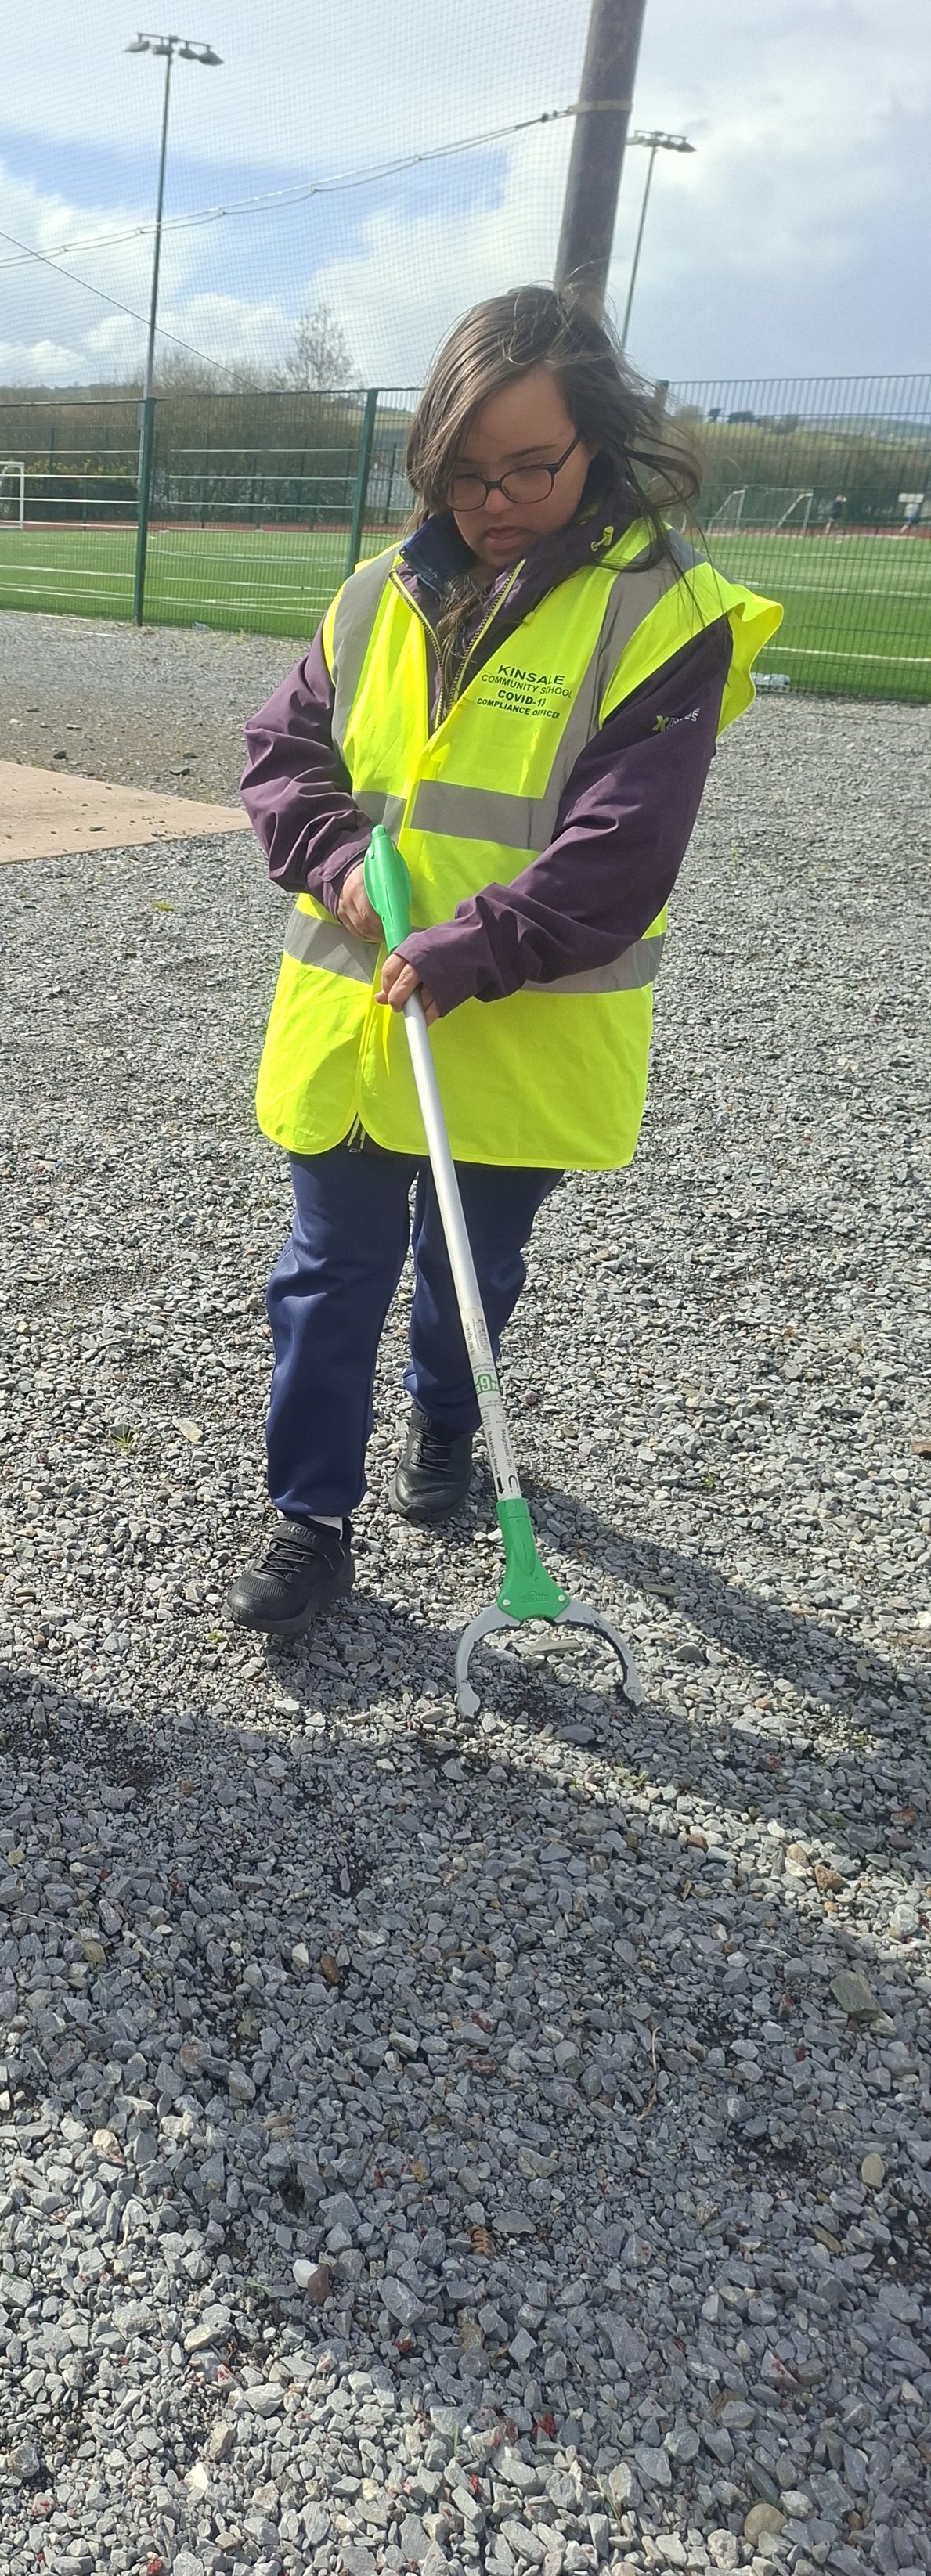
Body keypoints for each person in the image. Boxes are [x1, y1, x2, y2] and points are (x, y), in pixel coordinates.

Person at [229, 285, 781, 1636]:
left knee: (473, 1264)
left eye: (530, 465)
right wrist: (335, 859)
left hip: (515, 1024)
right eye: (467, 474)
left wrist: (475, 945)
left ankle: (443, 1420)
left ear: (597, 436)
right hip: (362, 1021)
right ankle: (309, 1518)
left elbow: (622, 846)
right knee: (327, 1270)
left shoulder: (665, 612)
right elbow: (282, 753)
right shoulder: (376, 594)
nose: (496, 499)